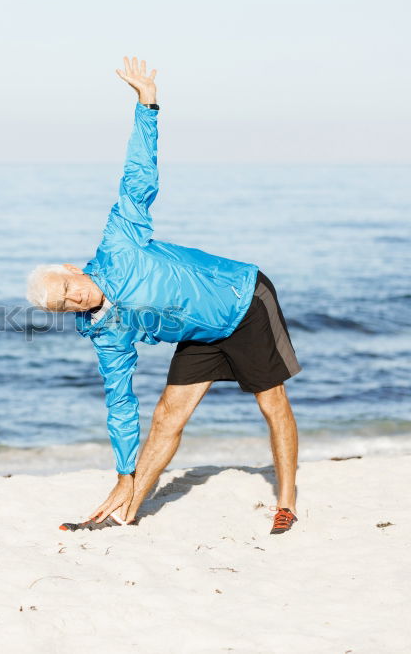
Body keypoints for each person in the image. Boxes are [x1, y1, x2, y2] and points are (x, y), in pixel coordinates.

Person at [25, 57, 302, 535]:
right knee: (165, 414)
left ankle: (287, 502)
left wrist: (146, 104)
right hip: (199, 332)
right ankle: (127, 507)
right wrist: (123, 471)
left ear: (72, 270)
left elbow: (138, 178)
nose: (72, 301)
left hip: (242, 300)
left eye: (67, 289)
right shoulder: (102, 331)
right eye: (61, 305)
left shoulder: (119, 243)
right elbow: (119, 402)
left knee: (270, 401)